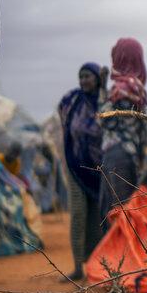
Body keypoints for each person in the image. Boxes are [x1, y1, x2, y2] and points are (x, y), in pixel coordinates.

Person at [57, 62, 107, 281]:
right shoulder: (73, 100)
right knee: (78, 214)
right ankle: (78, 267)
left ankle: (95, 266)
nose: (84, 80)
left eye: (88, 76)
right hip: (75, 166)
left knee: (96, 217)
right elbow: (63, 117)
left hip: (98, 170)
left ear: (97, 78)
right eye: (81, 76)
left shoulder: (105, 101)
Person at [98, 38, 147, 230]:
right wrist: (140, 159)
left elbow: (105, 120)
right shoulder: (137, 88)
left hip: (114, 158)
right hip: (128, 158)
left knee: (115, 215)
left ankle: (115, 250)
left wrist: (102, 90)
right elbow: (142, 131)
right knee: (124, 213)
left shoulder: (120, 89)